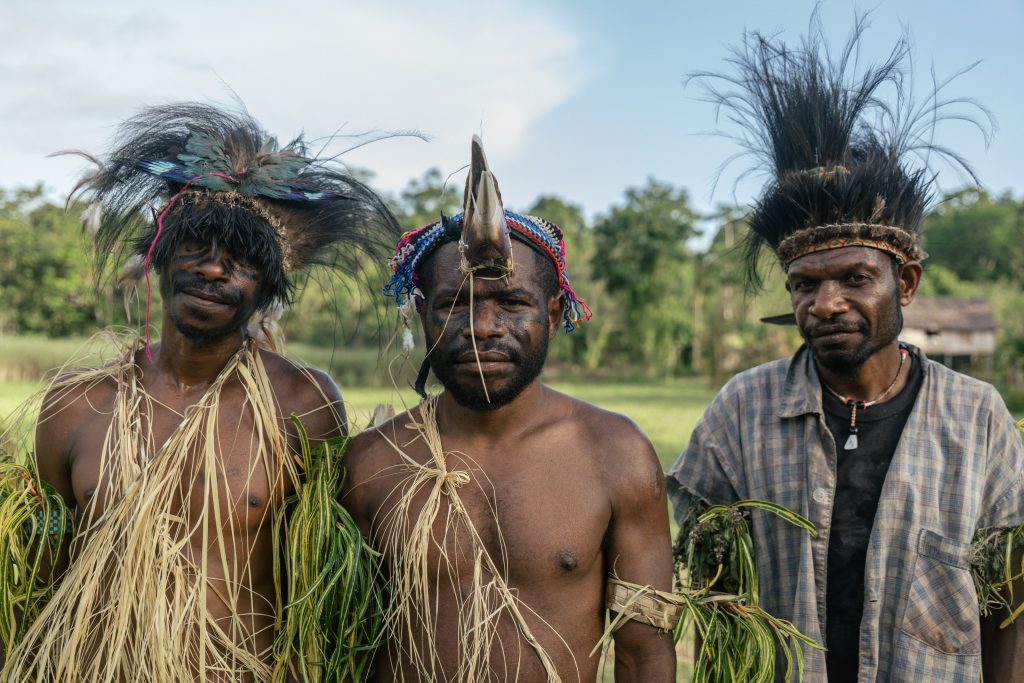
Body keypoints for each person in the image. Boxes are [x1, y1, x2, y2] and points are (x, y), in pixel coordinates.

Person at [668, 19, 1024, 682]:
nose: (826, 303)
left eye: (855, 278)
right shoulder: (740, 413)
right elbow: (708, 596)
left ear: (906, 282)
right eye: (805, 283)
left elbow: (1007, 606)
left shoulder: (977, 419)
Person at [1, 103, 399, 681]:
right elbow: (48, 576)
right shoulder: (76, 405)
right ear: (158, 254)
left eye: (241, 259)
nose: (214, 269)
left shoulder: (303, 404)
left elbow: (316, 587)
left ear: (267, 287)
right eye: (196, 245)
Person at [343, 137, 678, 681]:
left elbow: (644, 653)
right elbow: (340, 644)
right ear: (421, 314)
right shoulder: (372, 464)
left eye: (512, 302)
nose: (483, 328)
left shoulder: (615, 455)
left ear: (552, 311)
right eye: (456, 303)